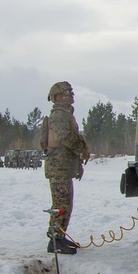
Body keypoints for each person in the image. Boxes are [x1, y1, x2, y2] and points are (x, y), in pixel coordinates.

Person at [40, 81, 90, 255]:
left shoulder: (66, 114)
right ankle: (55, 239)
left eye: (71, 92)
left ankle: (59, 236)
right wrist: (81, 146)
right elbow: (63, 136)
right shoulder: (59, 115)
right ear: (57, 96)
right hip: (58, 167)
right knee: (61, 204)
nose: (71, 95)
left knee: (66, 203)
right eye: (67, 92)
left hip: (64, 167)